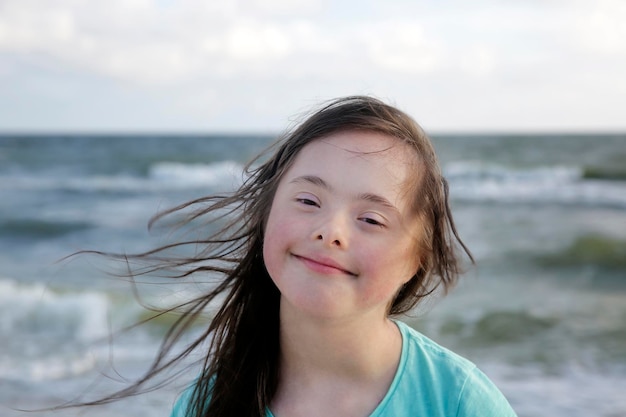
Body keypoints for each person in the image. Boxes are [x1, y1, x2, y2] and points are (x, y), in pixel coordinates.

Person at [107, 96, 517, 416]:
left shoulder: (458, 403)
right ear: (266, 213)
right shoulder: (207, 405)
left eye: (371, 219)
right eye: (308, 199)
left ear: (416, 260)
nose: (330, 231)